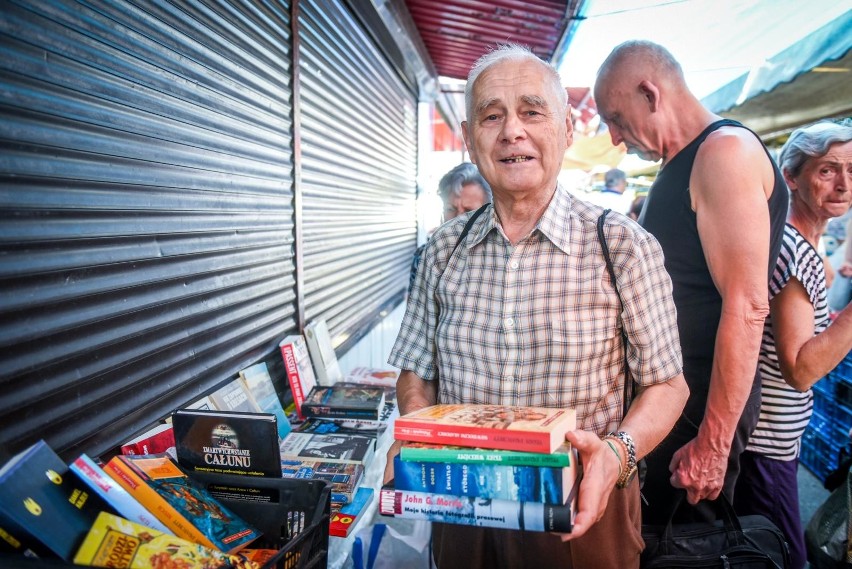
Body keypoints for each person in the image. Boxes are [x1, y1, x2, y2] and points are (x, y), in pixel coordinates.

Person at [386, 43, 689, 569]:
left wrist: (615, 454)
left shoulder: (621, 245)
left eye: (531, 112)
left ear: (567, 130)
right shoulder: (441, 251)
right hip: (463, 506)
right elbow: (417, 371)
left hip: (583, 511)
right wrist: (418, 433)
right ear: (468, 138)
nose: (512, 132)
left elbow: (667, 385)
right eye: (491, 116)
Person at [594, 40, 788, 523]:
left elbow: (747, 307)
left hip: (699, 406)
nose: (616, 138)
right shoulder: (682, 162)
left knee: (687, 548)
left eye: (617, 118)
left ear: (650, 93)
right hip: (671, 400)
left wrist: (714, 444)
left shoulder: (723, 153)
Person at [734, 120, 852, 569]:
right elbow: (800, 368)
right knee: (784, 559)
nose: (843, 184)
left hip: (766, 441)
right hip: (766, 445)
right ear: (791, 178)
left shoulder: (796, 244)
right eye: (827, 170)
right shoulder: (794, 250)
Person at [409, 162, 491, 292]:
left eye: (469, 211)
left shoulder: (500, 259)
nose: (458, 219)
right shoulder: (424, 256)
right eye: (450, 209)